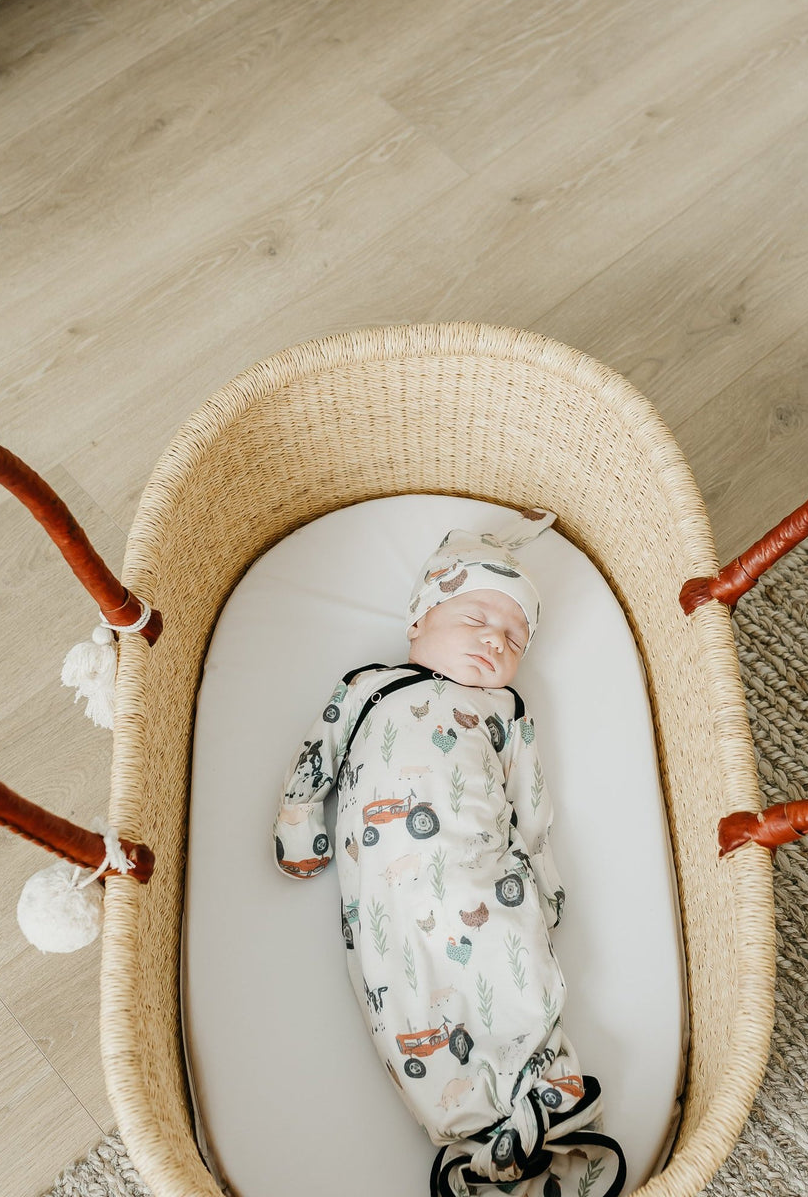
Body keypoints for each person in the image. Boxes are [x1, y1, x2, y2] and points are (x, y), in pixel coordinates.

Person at [272, 509, 625, 1197]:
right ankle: (472, 1133)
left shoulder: (505, 711)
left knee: (516, 981)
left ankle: (548, 1099)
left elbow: (533, 806)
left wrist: (544, 888)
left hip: (489, 883)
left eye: (515, 635)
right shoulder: (369, 688)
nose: (496, 640)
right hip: (391, 906)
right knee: (409, 1005)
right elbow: (316, 757)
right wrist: (296, 825)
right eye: (476, 619)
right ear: (418, 622)